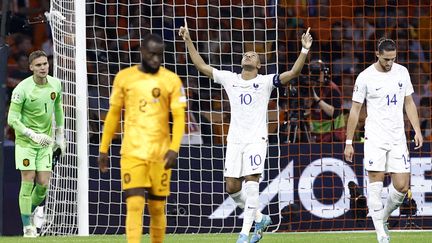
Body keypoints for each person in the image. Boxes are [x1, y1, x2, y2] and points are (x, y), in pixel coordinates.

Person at [179, 20, 313, 243]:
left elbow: (293, 72)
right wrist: (188, 41)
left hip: (256, 140)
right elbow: (202, 67)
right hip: (235, 140)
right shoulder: (230, 79)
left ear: (260, 64)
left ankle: (244, 234)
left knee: (252, 182)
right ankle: (260, 218)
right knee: (232, 186)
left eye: (253, 55)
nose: (248, 56)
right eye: (246, 54)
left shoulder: (266, 81)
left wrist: (304, 49)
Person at [98, 33, 186, 243]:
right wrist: (104, 148)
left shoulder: (171, 80)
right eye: (152, 54)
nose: (156, 59)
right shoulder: (124, 77)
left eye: (160, 55)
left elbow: (180, 116)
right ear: (142, 52)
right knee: (134, 204)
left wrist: (174, 148)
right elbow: (113, 114)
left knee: (156, 207)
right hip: (132, 152)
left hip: (161, 154)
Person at [344, 38, 423, 243]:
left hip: (397, 137)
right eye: (386, 59)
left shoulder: (402, 72)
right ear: (377, 54)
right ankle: (381, 234)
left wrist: (417, 130)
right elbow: (355, 110)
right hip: (375, 137)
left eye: (393, 59)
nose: (389, 63)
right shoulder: (365, 77)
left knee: (402, 186)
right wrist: (349, 142)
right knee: (376, 184)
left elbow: (409, 102)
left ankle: (382, 217)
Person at [7, 50, 66, 237]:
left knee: (43, 185)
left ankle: (30, 211)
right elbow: (12, 119)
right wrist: (32, 135)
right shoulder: (22, 89)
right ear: (31, 67)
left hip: (45, 142)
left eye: (45, 64)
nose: (43, 67)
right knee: (28, 180)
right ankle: (27, 228)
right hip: (26, 142)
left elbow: (58, 109)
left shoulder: (56, 84)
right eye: (38, 65)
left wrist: (60, 136)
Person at [309, 60, 345, 142]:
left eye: (319, 73)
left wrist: (316, 98)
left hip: (332, 137)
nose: (317, 76)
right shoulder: (311, 87)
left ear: (324, 73)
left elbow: (334, 112)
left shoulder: (332, 89)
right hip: (315, 135)